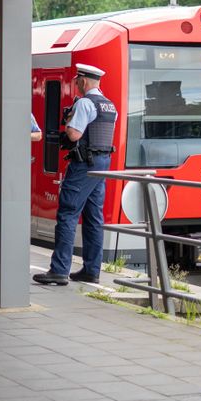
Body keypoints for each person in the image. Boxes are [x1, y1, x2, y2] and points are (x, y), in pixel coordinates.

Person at [33, 63, 117, 286]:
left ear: (84, 81)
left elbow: (73, 135)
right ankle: (91, 270)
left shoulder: (85, 103)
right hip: (101, 164)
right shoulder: (109, 106)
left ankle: (59, 270)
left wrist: (69, 120)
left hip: (84, 165)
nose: (76, 84)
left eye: (77, 81)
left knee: (68, 213)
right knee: (93, 217)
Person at [0, 112, 43, 274]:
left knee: (10, 215)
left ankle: (10, 257)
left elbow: (38, 134)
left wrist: (19, 134)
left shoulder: (24, 113)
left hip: (14, 169)